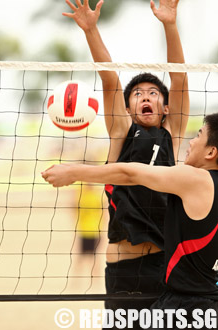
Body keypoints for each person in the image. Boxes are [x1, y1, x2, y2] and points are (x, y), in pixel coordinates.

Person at [61, 0, 189, 318]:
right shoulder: (122, 131)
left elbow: (181, 80)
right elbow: (110, 80)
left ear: (167, 108)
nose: (145, 96)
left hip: (166, 266)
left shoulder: (171, 133)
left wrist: (169, 25)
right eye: (138, 93)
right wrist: (91, 30)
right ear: (129, 108)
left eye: (153, 92)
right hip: (124, 270)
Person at [43, 113, 218, 329]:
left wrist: (72, 171)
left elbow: (130, 173)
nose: (191, 140)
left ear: (211, 152)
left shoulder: (198, 180)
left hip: (186, 307)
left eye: (199, 135)